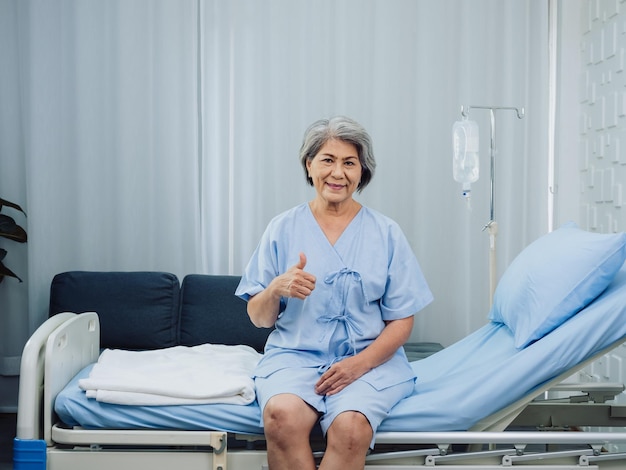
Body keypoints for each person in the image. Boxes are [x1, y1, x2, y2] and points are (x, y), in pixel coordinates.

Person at [235, 116, 433, 470]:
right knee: (282, 417)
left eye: (349, 162)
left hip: (371, 361)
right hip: (295, 357)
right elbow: (259, 317)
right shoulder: (282, 228)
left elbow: (402, 321)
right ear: (309, 165)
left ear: (362, 172)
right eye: (327, 160)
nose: (337, 173)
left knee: (351, 428)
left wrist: (358, 365)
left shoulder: (386, 233)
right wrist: (276, 288)